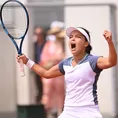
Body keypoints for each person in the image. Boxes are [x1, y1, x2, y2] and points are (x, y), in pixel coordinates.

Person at [17, 26, 117, 118]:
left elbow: (111, 62)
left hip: (89, 112)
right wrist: (27, 61)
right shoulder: (66, 63)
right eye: (71, 37)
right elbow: (46, 74)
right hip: (68, 112)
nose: (73, 39)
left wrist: (110, 42)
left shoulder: (93, 61)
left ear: (86, 43)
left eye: (78, 37)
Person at [33, 26, 46, 104]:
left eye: (40, 34)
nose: (38, 36)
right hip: (36, 69)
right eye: (37, 34)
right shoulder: (33, 45)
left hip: (45, 69)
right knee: (38, 88)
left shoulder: (46, 44)